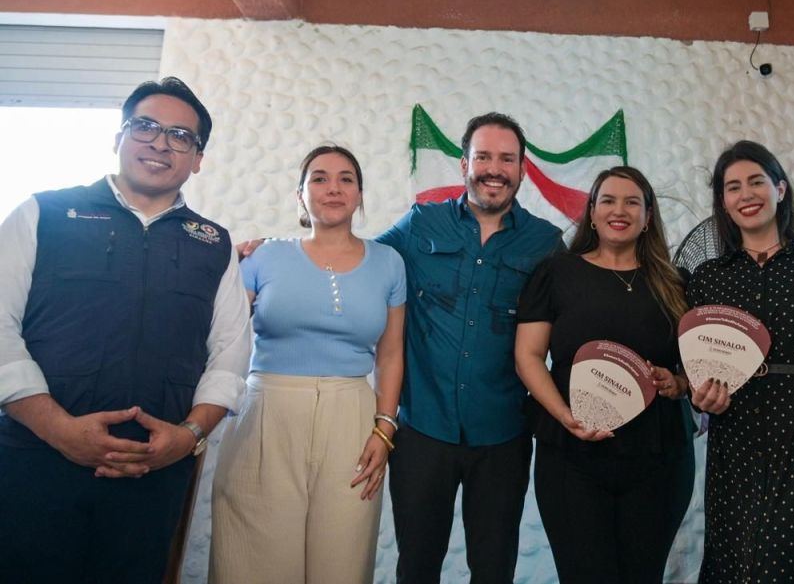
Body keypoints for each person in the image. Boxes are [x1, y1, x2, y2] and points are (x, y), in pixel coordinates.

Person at [0, 77, 252, 584]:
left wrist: (188, 436)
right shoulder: (43, 213)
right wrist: (61, 431)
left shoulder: (213, 243)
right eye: (145, 126)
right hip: (35, 461)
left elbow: (230, 353)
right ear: (118, 136)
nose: (160, 143)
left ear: (198, 158)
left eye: (180, 136)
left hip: (152, 473)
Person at [377, 112, 563, 584]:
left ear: (522, 169)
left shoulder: (546, 243)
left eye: (507, 159)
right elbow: (358, 261)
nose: (494, 169)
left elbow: (579, 316)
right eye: (483, 157)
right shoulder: (421, 222)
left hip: (503, 436)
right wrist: (280, 251)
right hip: (422, 431)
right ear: (464, 164)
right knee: (416, 568)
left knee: (494, 570)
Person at [209, 145, 405, 584]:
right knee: (254, 563)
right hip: (266, 412)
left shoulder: (389, 263)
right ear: (301, 195)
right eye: (319, 178)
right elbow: (224, 337)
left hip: (352, 416)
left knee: (342, 562)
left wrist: (385, 429)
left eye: (345, 179)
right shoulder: (262, 256)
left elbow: (391, 353)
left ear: (359, 194)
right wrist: (226, 262)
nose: (333, 188)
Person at [514, 166, 695, 584]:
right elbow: (528, 356)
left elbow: (693, 369)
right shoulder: (555, 273)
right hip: (572, 457)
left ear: (647, 216)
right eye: (608, 201)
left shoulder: (676, 283)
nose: (619, 210)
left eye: (632, 202)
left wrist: (679, 383)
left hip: (659, 458)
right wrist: (565, 416)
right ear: (592, 213)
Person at [688, 140, 794, 583]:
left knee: (792, 554)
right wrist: (700, 397)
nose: (746, 194)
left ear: (780, 189)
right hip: (737, 429)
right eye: (733, 187)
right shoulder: (708, 278)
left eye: (756, 181)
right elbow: (694, 370)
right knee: (740, 554)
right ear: (723, 202)